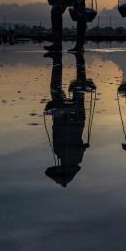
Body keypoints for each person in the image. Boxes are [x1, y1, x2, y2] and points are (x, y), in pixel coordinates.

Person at [43, 52, 91, 187]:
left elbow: (82, 147)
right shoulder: (63, 154)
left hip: (71, 119)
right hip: (70, 118)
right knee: (61, 90)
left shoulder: (71, 156)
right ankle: (63, 61)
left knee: (74, 90)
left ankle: (63, 61)